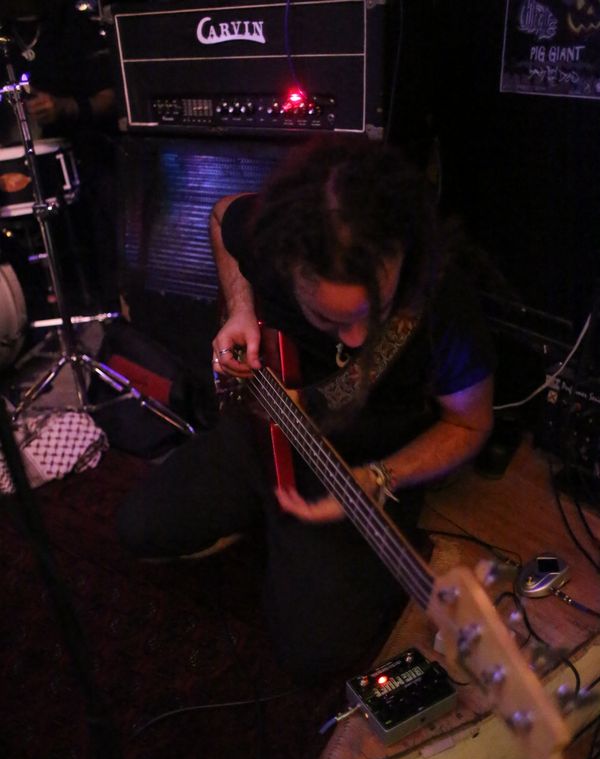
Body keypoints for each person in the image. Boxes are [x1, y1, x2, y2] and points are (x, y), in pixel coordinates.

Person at [117, 136, 496, 685]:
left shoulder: (441, 295)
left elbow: (470, 422)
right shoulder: (275, 236)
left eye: (375, 311)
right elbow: (223, 215)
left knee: (314, 652)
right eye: (329, 318)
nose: (357, 338)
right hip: (261, 427)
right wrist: (240, 311)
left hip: (356, 469)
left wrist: (382, 476)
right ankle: (271, 524)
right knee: (138, 529)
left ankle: (289, 538)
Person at [0, 0, 119, 311]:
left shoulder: (74, 27)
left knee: (102, 195)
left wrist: (66, 107)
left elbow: (113, 96)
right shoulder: (5, 34)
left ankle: (107, 305)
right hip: (12, 160)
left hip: (83, 152)